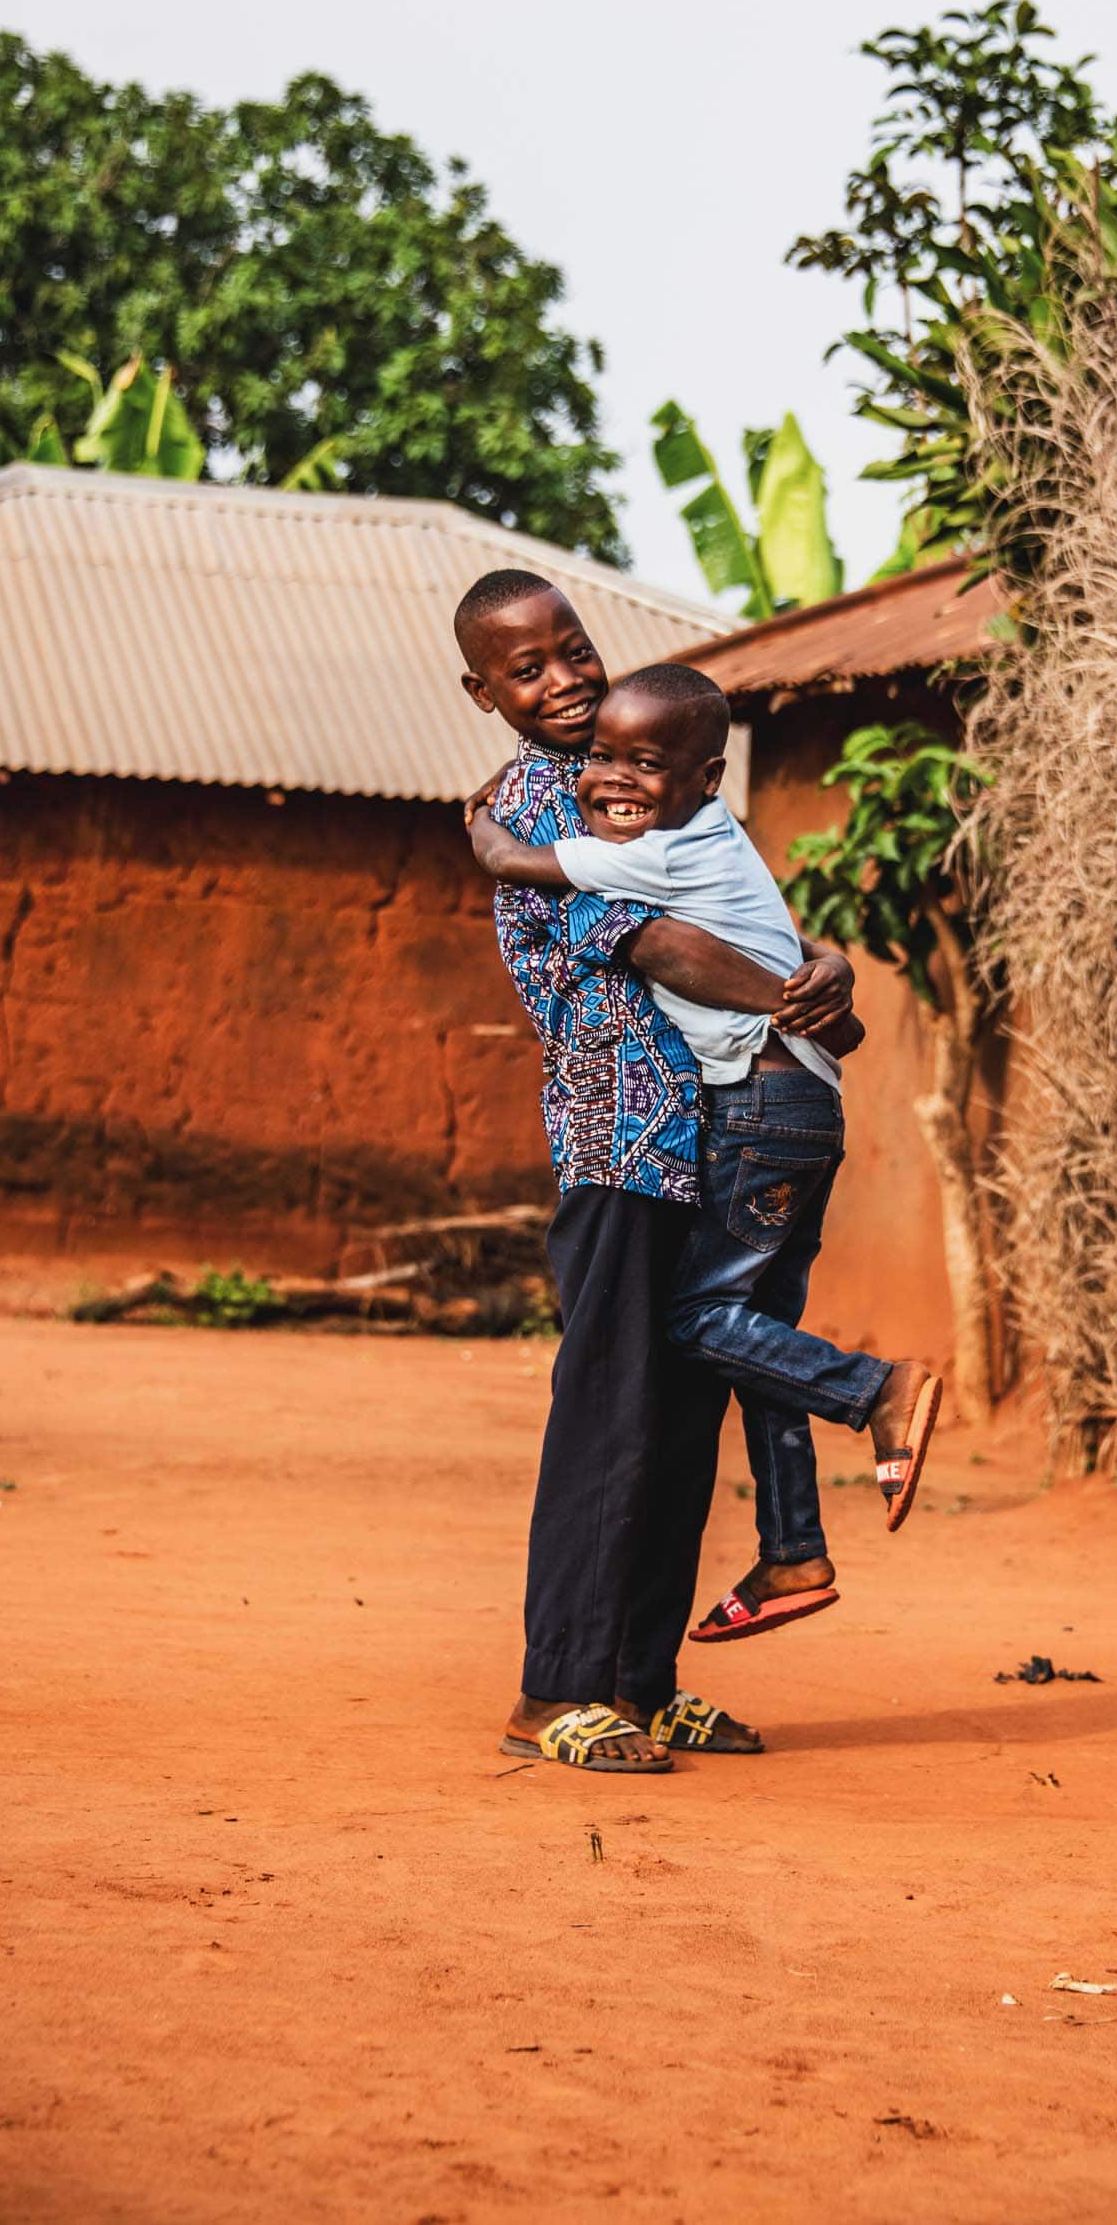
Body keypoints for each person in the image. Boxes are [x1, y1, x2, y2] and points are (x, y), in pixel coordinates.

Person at [455, 567, 860, 1775]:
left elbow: (735, 913)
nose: (565, 678)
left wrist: (818, 957)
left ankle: (640, 1679)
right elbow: (665, 943)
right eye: (529, 668)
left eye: (573, 649)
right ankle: (557, 1690)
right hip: (620, 1137)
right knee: (609, 1410)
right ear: (487, 693)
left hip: (703, 1135)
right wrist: (812, 1014)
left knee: (683, 1410)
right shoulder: (542, 801)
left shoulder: (641, 782)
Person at [467, 657, 944, 1641]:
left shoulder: (641, 846)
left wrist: (481, 829)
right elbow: (770, 938)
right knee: (758, 1328)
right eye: (602, 755)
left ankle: (876, 1389)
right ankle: (793, 1548)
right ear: (482, 690)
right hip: (800, 1101)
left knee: (694, 1320)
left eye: (644, 761)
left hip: (755, 1107)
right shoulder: (705, 830)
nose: (613, 778)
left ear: (700, 777)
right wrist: (819, 976)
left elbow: (552, 882)